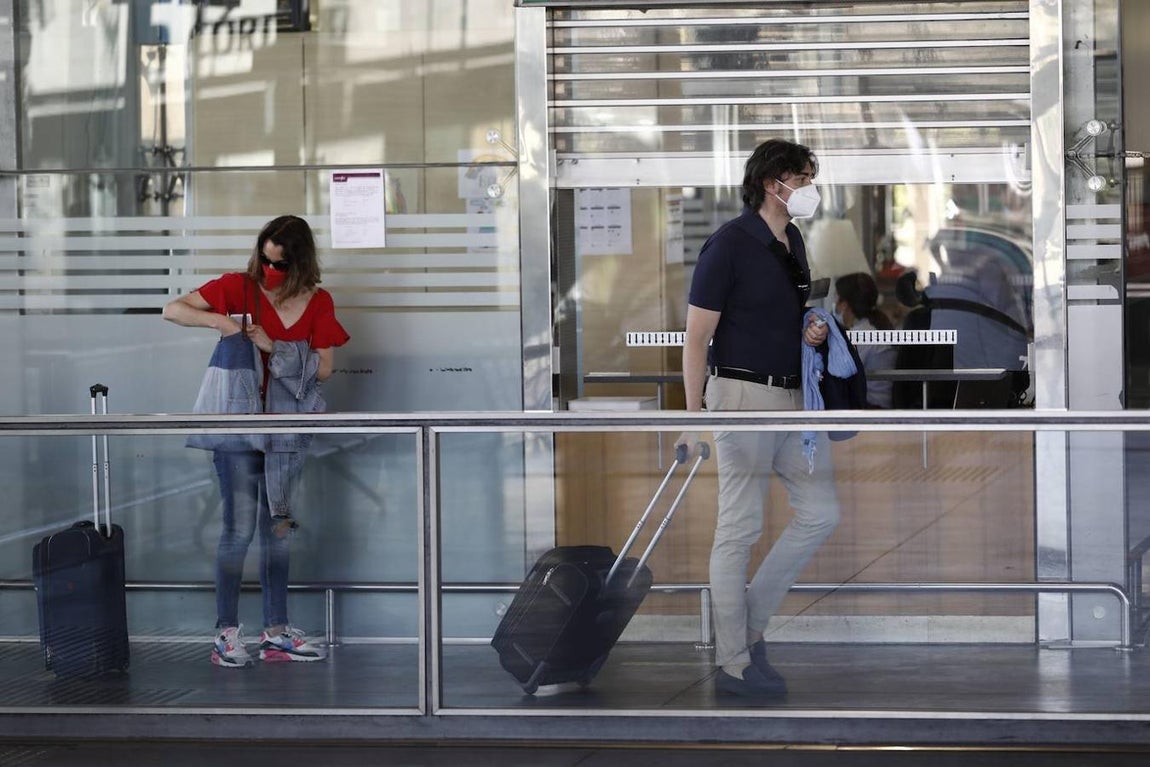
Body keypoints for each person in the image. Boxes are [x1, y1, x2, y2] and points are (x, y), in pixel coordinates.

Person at [677, 138, 841, 699]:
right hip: (741, 397)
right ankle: (733, 664)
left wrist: (811, 329)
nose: (811, 188)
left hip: (793, 398)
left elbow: (780, 317)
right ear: (775, 183)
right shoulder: (727, 246)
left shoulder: (791, 239)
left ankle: (747, 625)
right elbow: (696, 340)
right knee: (739, 529)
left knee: (821, 511)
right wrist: (695, 417)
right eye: (804, 177)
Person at [162, 215, 350, 668]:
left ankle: (276, 632)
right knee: (237, 530)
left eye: (280, 266)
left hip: (286, 430)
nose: (270, 274)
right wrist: (223, 324)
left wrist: (271, 346)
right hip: (237, 426)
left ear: (299, 263)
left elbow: (324, 368)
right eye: (264, 262)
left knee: (279, 531)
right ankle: (225, 634)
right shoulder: (238, 287)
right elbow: (174, 309)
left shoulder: (318, 302)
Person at [833, 272, 897, 408]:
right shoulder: (871, 326)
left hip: (873, 409)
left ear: (845, 304)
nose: (835, 306)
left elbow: (841, 370)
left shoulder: (863, 334)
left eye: (836, 299)